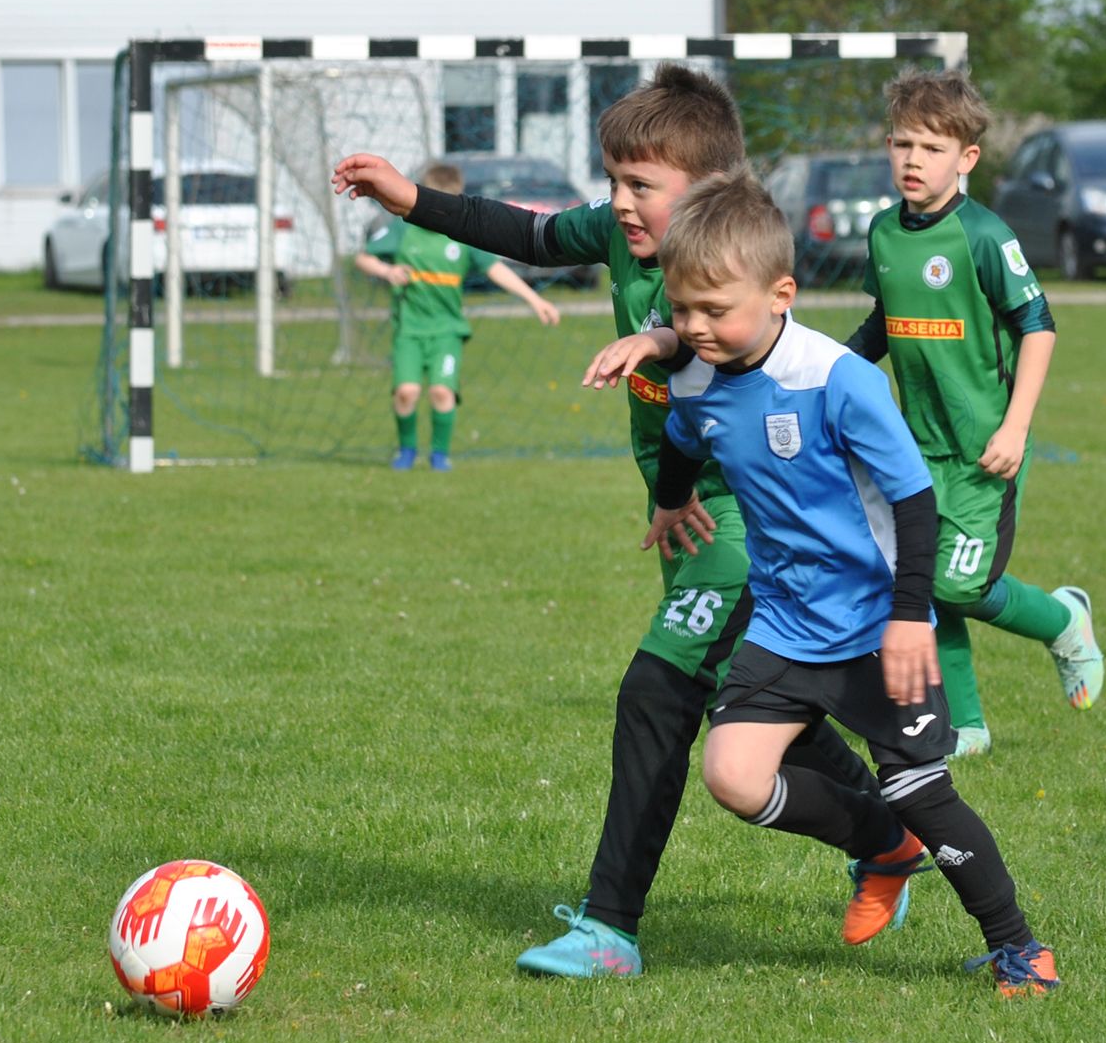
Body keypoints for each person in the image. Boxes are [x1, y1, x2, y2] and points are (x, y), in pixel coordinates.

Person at [332, 66, 890, 978]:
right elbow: (525, 231)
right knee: (754, 700)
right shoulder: (623, 238)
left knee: (656, 691)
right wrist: (409, 197)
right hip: (689, 520)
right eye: (616, 181)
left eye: (643, 186)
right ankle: (886, 835)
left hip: (754, 531)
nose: (622, 204)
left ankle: (610, 929)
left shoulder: (734, 275)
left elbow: (729, 358)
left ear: (709, 192)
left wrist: (664, 339)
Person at [645, 168, 1059, 994]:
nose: (695, 328)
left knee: (923, 789)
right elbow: (686, 436)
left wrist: (910, 617)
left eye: (714, 311)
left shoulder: (839, 379)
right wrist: (669, 500)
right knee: (731, 774)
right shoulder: (697, 375)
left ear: (782, 294)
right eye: (681, 310)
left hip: (877, 624)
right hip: (785, 622)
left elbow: (912, 502)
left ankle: (1020, 945)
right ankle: (882, 844)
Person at [847, 69, 1104, 757]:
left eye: (931, 148)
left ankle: (1062, 620)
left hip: (983, 449)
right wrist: (831, 373)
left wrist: (1016, 426)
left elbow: (1039, 325)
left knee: (959, 583)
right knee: (923, 583)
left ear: (966, 158)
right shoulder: (883, 233)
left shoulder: (984, 235)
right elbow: (885, 323)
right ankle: (967, 726)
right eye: (901, 144)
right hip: (913, 448)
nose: (911, 160)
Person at [351, 160, 561, 471]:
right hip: (409, 329)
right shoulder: (404, 229)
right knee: (407, 392)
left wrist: (534, 299)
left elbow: (496, 269)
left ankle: (439, 455)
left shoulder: (461, 236)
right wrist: (388, 270)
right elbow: (363, 259)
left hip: (447, 330)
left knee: (440, 391)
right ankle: (407, 451)